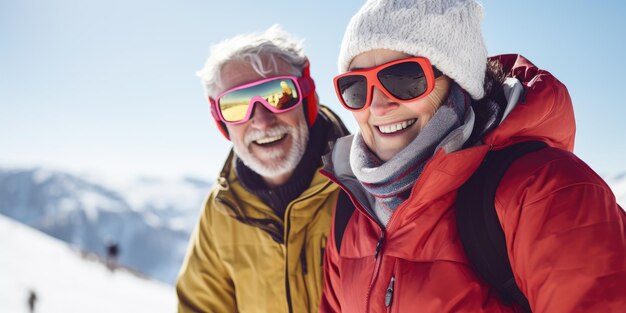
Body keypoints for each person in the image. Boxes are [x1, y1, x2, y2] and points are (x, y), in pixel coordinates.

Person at [320, 0, 626, 312]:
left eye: (404, 79)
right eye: (356, 87)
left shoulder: (545, 192)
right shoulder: (351, 211)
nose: (378, 106)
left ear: (458, 79)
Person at [176, 25, 350, 313]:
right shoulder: (223, 211)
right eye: (236, 106)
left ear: (308, 99)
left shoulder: (363, 189)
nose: (261, 121)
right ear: (222, 123)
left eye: (278, 95)